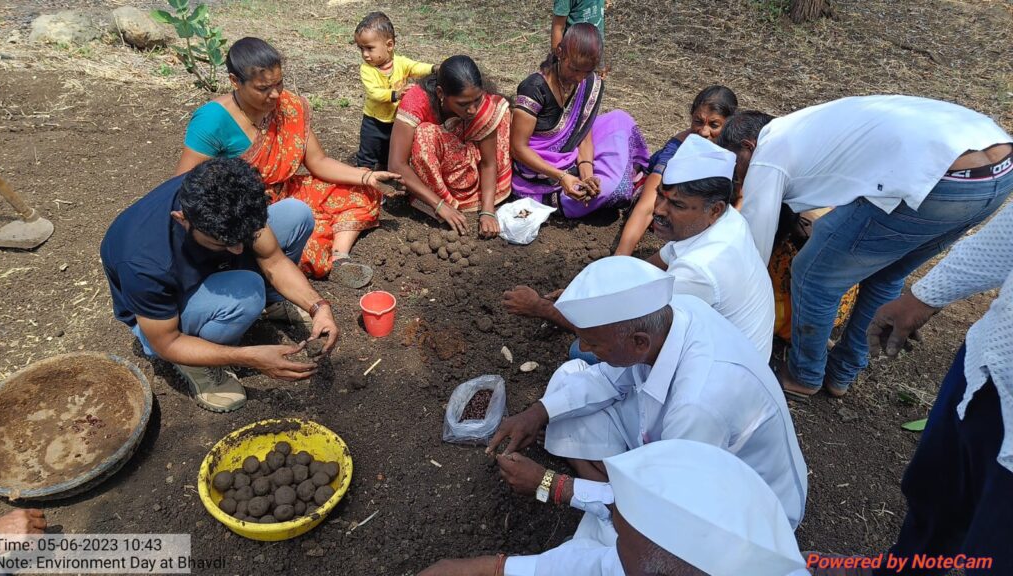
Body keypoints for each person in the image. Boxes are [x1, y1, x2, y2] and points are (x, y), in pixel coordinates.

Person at [718, 96, 1013, 398]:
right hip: (999, 170)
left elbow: (754, 245)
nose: (737, 177)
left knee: (812, 272)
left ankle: (803, 375)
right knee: (885, 273)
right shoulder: (805, 125)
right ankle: (841, 373)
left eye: (734, 165)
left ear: (748, 146)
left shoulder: (769, 152)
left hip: (944, 178)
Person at [491, 257, 807, 532]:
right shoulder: (672, 313)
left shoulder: (698, 404)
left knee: (619, 543)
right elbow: (608, 378)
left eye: (594, 343)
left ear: (639, 342)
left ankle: (612, 495)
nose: (584, 349)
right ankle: (613, 489)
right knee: (569, 378)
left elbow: (669, 504)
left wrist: (550, 485)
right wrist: (536, 414)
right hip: (680, 449)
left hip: (741, 512)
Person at [503, 135, 774, 360]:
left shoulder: (700, 271)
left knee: (583, 352)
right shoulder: (726, 220)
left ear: (713, 209)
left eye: (677, 205)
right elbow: (653, 264)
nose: (658, 210)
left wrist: (543, 308)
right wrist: (594, 291)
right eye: (661, 197)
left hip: (719, 370)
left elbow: (627, 334)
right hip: (726, 347)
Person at [101, 158, 340, 413]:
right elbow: (166, 342)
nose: (238, 250)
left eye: (243, 239)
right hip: (162, 326)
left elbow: (273, 260)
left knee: (296, 214)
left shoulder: (223, 191)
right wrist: (248, 357)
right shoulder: (144, 264)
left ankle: (272, 303)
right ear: (183, 220)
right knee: (248, 291)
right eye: (223, 243)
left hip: (205, 268)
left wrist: (319, 307)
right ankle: (198, 364)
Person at [175, 37, 399, 288]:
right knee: (300, 243)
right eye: (263, 88)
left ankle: (339, 257)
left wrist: (367, 177)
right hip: (246, 208)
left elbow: (318, 161)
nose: (274, 95)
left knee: (363, 191)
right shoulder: (212, 120)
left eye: (279, 84)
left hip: (288, 191)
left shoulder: (288, 106)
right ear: (235, 82)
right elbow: (185, 185)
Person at [866, 201, 1013, 575]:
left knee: (995, 554)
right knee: (937, 493)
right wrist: (923, 297)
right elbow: (1007, 234)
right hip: (990, 361)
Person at [418, 440, 809, 576]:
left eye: (625, 539)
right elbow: (595, 566)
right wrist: (492, 568)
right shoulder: (665, 556)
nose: (618, 549)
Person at [511, 23, 648, 219]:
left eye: (587, 71)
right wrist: (562, 176)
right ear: (560, 52)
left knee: (620, 120)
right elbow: (518, 148)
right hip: (540, 175)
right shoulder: (534, 88)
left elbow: (583, 135)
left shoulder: (590, 83)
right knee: (612, 191)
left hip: (572, 160)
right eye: (574, 69)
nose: (579, 77)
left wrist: (587, 174)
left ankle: (616, 176)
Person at [388, 55, 511, 239]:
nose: (472, 110)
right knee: (424, 134)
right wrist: (440, 205)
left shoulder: (481, 104)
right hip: (437, 176)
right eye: (463, 104)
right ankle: (441, 201)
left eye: (476, 100)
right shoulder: (417, 100)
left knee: (497, 112)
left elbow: (488, 163)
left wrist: (487, 211)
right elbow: (397, 164)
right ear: (440, 93)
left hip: (472, 166)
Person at [615, 85, 738, 256]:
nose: (703, 132)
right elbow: (647, 206)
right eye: (698, 121)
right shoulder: (675, 150)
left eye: (714, 125)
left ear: (730, 124)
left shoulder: (736, 151)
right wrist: (620, 257)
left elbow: (740, 199)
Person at [354, 12, 434, 170]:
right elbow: (374, 92)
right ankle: (362, 177)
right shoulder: (367, 69)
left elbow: (415, 67)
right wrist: (395, 95)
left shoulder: (401, 63)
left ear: (389, 45)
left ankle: (386, 177)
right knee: (368, 153)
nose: (365, 54)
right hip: (373, 122)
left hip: (396, 121)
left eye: (369, 48)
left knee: (390, 151)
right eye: (361, 49)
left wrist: (433, 68)